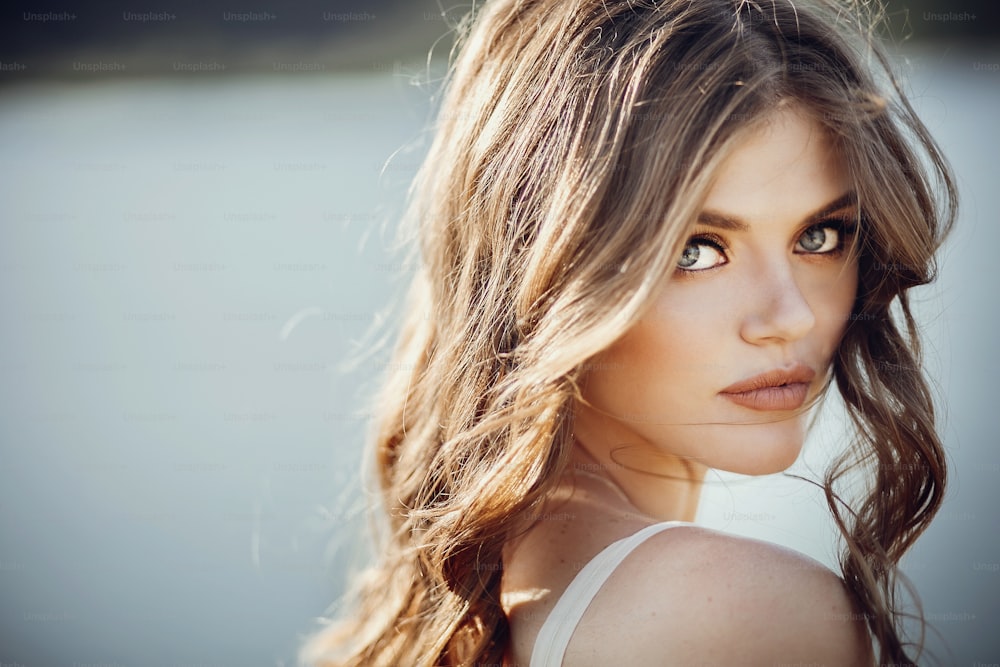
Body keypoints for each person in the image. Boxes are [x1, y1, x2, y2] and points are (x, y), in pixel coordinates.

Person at [300, 0, 957, 665]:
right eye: (695, 250)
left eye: (819, 236)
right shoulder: (749, 615)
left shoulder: (497, 594)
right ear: (549, 268)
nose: (792, 316)